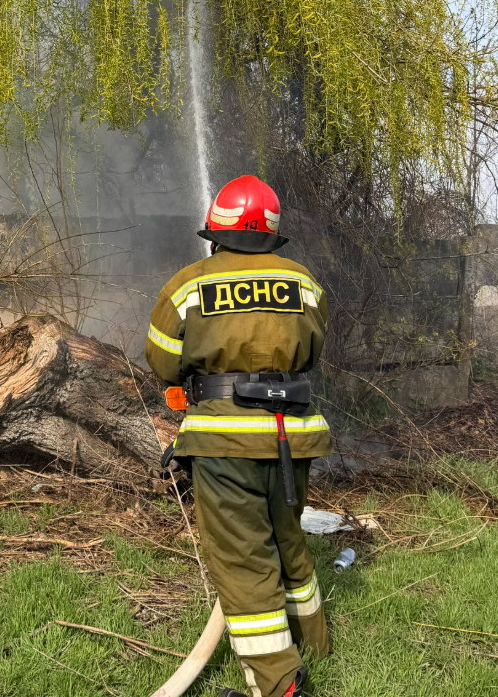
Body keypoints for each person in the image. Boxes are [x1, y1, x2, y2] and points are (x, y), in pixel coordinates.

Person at [145, 175, 330, 697]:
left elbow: (161, 358)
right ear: (271, 233)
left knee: (243, 559)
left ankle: (278, 686)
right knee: (287, 539)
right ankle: (314, 643)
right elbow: (312, 350)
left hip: (223, 443)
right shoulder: (303, 283)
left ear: (216, 230)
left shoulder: (188, 285)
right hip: (291, 435)